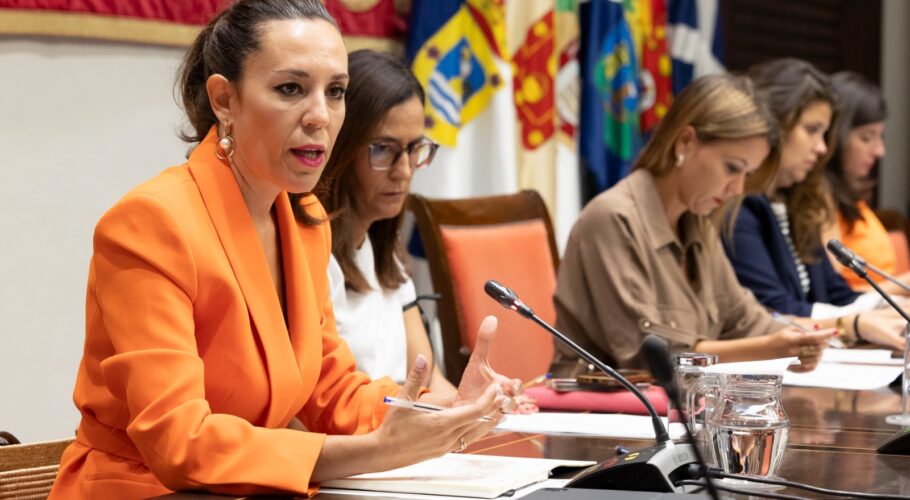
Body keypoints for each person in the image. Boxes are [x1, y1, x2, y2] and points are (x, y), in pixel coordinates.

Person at [49, 2, 517, 498]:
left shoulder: (303, 218)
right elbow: (180, 443)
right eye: (291, 89)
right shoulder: (152, 223)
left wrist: (444, 411)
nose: (320, 117)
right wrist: (377, 450)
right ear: (225, 100)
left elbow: (330, 392)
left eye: (335, 92)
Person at [553, 73, 833, 372]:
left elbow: (746, 319)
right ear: (685, 142)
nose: (738, 188)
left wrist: (800, 340)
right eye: (732, 168)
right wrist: (767, 349)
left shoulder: (698, 223)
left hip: (681, 399)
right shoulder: (613, 218)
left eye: (747, 174)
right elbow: (648, 357)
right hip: (599, 399)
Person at [723, 59, 905, 351]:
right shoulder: (738, 208)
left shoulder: (795, 202)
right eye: (812, 130)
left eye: (824, 134)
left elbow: (838, 295)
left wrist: (893, 306)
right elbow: (774, 309)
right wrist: (854, 324)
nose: (822, 148)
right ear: (775, 126)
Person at [307, 49, 455, 393]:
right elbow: (317, 406)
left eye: (415, 148)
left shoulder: (385, 253)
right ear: (341, 148)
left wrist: (479, 402)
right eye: (384, 149)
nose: (404, 171)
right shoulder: (310, 255)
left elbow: (429, 381)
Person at [824, 71, 910, 293]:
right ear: (835, 137)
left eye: (880, 136)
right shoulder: (819, 203)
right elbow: (835, 297)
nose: (880, 151)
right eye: (866, 137)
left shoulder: (852, 199)